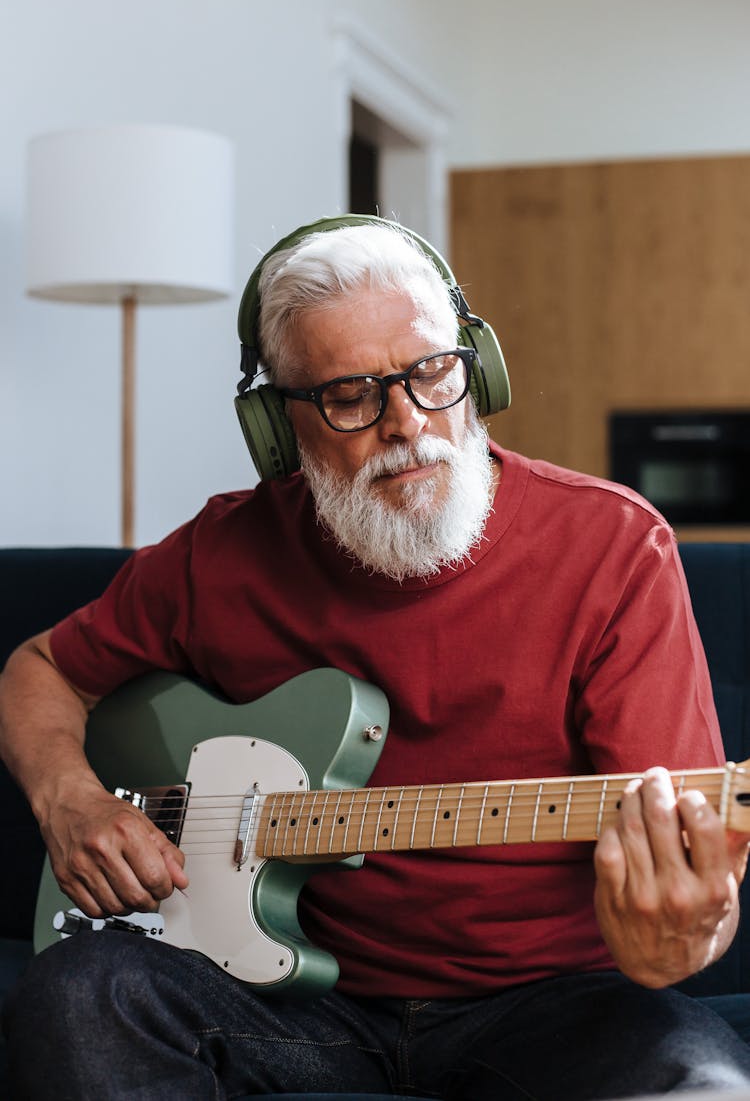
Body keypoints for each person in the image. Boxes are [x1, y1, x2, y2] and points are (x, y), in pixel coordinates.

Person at [2, 214, 750, 1101]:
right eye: (352, 395)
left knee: (699, 1081)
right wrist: (71, 799)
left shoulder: (616, 549)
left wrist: (675, 939)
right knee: (78, 994)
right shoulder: (219, 554)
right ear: (279, 430)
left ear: (479, 370)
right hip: (281, 1001)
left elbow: (680, 856)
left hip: (554, 1004)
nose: (408, 423)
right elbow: (38, 669)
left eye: (433, 372)